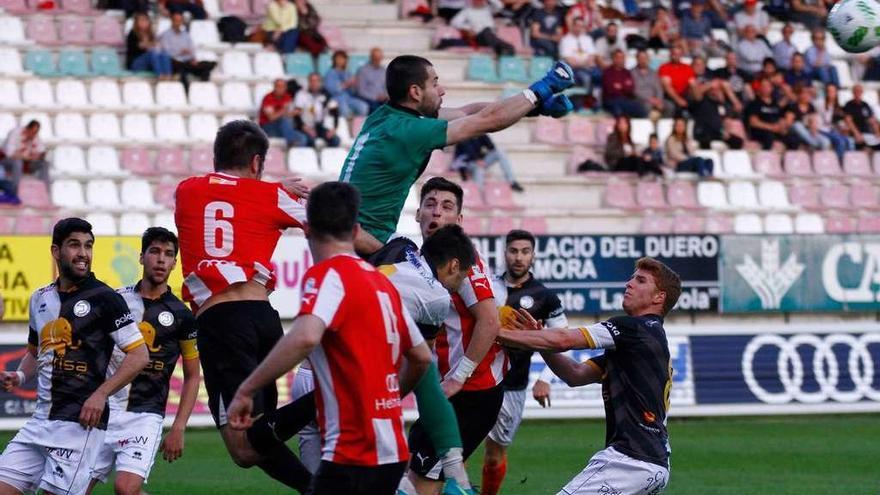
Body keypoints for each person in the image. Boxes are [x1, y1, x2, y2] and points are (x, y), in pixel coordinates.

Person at [226, 182, 434, 495]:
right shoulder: (382, 284)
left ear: (307, 230)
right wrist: (389, 397)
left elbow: (306, 337)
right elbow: (420, 357)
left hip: (353, 449)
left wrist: (247, 389)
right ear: (356, 231)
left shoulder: (327, 275)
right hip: (392, 447)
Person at [174, 120, 313, 492]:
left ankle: (328, 400)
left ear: (216, 156)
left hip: (220, 321)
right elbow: (328, 222)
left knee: (241, 446)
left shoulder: (186, 190)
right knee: (258, 438)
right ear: (256, 163)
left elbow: (228, 195)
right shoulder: (271, 196)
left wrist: (267, 187)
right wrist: (275, 189)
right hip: (263, 317)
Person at [339, 54, 574, 255]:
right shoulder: (410, 131)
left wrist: (534, 108)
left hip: (351, 236)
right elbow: (488, 121)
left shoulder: (388, 116)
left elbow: (466, 112)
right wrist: (541, 89)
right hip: (363, 244)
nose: (442, 90)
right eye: (435, 83)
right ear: (415, 92)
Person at [497, 257, 682, 495]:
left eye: (640, 280)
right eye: (632, 277)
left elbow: (564, 340)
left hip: (629, 461)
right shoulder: (647, 341)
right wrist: (539, 340)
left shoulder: (632, 328)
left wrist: (495, 332)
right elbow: (575, 374)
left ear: (659, 297)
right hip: (654, 465)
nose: (629, 283)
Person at [0, 218, 149, 495]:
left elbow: (139, 355)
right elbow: (35, 351)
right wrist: (19, 375)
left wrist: (101, 394)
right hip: (40, 422)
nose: (83, 253)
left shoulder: (106, 298)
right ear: (56, 251)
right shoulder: (39, 298)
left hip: (80, 427)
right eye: (74, 245)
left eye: (88, 246)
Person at [400, 178, 509, 495]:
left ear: (459, 220)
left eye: (447, 207)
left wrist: (459, 377)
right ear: (418, 213)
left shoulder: (461, 260)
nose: (437, 213)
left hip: (471, 393)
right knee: (418, 474)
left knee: (421, 484)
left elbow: (489, 321)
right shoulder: (425, 257)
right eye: (431, 205)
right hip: (449, 390)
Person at [86, 227, 201, 495]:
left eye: (169, 254)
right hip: (104, 411)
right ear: (141, 257)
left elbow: (193, 375)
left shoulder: (181, 315)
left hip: (144, 416)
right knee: (74, 489)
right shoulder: (116, 300)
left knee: (126, 488)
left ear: (175, 263)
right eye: (155, 252)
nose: (161, 259)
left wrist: (179, 427)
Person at [480, 229, 568, 495]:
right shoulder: (487, 286)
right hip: (477, 379)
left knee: (494, 454)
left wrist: (545, 378)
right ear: (504, 253)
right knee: (454, 447)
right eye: (513, 251)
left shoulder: (544, 297)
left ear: (533, 256)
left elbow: (561, 339)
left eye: (525, 252)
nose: (519, 257)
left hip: (512, 386)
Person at [452, 134, 524, 199]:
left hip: (480, 161)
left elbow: (492, 147)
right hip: (467, 163)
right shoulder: (464, 134)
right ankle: (479, 195)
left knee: (499, 153)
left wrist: (483, 134)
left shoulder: (480, 133)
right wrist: (477, 160)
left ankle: (512, 182)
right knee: (479, 169)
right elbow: (466, 151)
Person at [159, 12, 216, 86]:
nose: (178, 23)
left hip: (187, 61)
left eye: (180, 21)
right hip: (174, 61)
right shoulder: (166, 35)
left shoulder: (185, 35)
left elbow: (191, 48)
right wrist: (180, 52)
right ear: (172, 21)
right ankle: (186, 93)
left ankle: (204, 91)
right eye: (176, 20)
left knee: (207, 68)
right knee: (182, 70)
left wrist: (193, 58)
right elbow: (166, 52)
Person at [690, 79, 745, 149]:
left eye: (718, 90)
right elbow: (696, 94)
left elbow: (738, 107)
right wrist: (710, 85)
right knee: (706, 141)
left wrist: (728, 91)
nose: (716, 92)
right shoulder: (702, 100)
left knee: (737, 141)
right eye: (714, 90)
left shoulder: (723, 105)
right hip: (704, 132)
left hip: (719, 132)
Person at [450, 0, 515, 56]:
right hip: (478, 36)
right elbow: (454, 22)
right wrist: (468, 28)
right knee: (486, 32)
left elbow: (500, 6)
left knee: (488, 32)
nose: (478, 2)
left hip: (491, 35)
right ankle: (507, 48)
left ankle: (504, 49)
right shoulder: (467, 10)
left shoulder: (488, 9)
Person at [1, 120, 49, 196]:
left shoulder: (35, 136)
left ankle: (44, 192)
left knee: (44, 163)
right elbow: (9, 153)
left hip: (27, 163)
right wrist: (23, 156)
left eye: (36, 132)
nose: (34, 135)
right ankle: (16, 192)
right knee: (18, 162)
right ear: (27, 129)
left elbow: (42, 151)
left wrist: (38, 156)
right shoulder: (15, 133)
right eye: (32, 132)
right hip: (9, 162)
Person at [293, 72, 341, 147]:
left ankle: (328, 158)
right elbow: (296, 115)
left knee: (335, 140)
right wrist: (306, 128)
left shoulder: (326, 94)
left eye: (316, 81)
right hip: (305, 126)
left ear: (320, 82)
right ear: (308, 82)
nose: (314, 83)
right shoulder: (301, 94)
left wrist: (334, 129)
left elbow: (335, 112)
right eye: (312, 81)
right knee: (310, 140)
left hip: (319, 126)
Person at [260, 79, 309, 147]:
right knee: (286, 120)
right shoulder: (268, 98)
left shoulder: (287, 97)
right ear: (274, 87)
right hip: (268, 127)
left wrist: (295, 112)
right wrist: (283, 110)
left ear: (285, 88)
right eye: (278, 86)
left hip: (284, 128)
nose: (280, 89)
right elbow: (271, 118)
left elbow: (289, 114)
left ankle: (294, 152)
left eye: (282, 87)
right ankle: (291, 141)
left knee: (303, 138)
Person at [324, 50, 370, 120]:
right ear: (334, 60)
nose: (340, 61)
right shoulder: (330, 73)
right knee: (344, 110)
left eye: (342, 59)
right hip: (337, 98)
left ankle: (357, 126)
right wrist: (346, 84)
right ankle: (345, 129)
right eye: (338, 58)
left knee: (364, 107)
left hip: (349, 98)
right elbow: (331, 90)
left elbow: (352, 92)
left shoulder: (348, 73)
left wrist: (354, 85)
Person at [126, 12, 173, 79]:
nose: (144, 22)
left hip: (149, 62)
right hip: (135, 63)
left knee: (164, 53)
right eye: (141, 20)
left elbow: (156, 45)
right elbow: (141, 46)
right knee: (153, 53)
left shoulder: (151, 34)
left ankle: (168, 75)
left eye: (146, 20)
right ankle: (160, 75)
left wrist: (156, 45)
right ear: (136, 22)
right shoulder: (132, 33)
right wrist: (151, 44)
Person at [746, 78, 789, 150]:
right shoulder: (755, 103)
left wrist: (781, 126)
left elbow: (781, 118)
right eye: (763, 86)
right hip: (760, 131)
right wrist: (771, 127)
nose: (766, 88)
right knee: (769, 136)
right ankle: (767, 158)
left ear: (772, 88)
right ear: (759, 88)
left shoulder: (774, 103)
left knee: (792, 138)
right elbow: (753, 122)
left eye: (768, 86)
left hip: (775, 130)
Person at [602, 49, 646, 118]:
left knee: (641, 108)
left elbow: (631, 89)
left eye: (622, 58)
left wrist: (620, 86)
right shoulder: (607, 72)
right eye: (618, 58)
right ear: (614, 59)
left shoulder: (627, 72)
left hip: (626, 99)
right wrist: (624, 87)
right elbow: (611, 90)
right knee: (618, 109)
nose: (621, 60)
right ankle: (621, 127)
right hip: (611, 100)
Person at [559, 17, 598, 93]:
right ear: (573, 26)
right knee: (586, 78)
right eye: (577, 25)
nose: (579, 28)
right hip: (573, 69)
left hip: (588, 68)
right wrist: (585, 64)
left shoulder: (587, 39)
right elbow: (570, 61)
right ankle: (586, 100)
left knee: (600, 75)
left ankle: (595, 99)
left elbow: (592, 57)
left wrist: (586, 63)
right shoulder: (565, 40)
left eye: (581, 26)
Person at [658, 44, 695, 114]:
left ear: (681, 55)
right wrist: (678, 100)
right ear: (670, 54)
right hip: (670, 97)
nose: (676, 56)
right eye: (674, 54)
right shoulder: (664, 68)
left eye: (678, 54)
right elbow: (667, 87)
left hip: (685, 95)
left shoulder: (687, 68)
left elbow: (692, 84)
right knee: (671, 107)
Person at [632, 49, 668, 119]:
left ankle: (662, 126)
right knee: (646, 106)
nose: (643, 60)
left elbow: (659, 89)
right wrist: (649, 99)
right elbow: (634, 91)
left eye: (645, 58)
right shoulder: (631, 73)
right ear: (637, 59)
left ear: (648, 59)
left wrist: (658, 100)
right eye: (641, 58)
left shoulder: (654, 73)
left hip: (655, 99)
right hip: (640, 100)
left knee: (669, 106)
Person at [355, 47, 388, 113]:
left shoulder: (383, 70)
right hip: (369, 100)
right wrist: (375, 97)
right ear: (371, 57)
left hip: (383, 99)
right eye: (375, 57)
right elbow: (361, 91)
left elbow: (386, 87)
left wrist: (385, 96)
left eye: (379, 57)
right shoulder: (363, 70)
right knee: (378, 110)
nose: (377, 60)